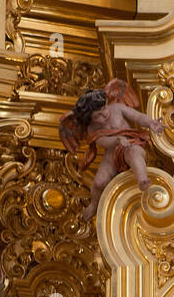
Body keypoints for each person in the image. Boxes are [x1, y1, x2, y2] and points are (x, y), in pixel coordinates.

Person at [59, 81, 163, 222]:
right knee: (99, 182)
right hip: (112, 152)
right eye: (98, 116)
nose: (104, 115)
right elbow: (102, 141)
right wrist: (116, 141)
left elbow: (137, 117)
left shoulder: (117, 108)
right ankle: (94, 203)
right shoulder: (91, 128)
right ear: (90, 120)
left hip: (131, 142)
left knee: (134, 154)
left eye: (104, 109)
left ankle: (142, 179)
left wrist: (151, 123)